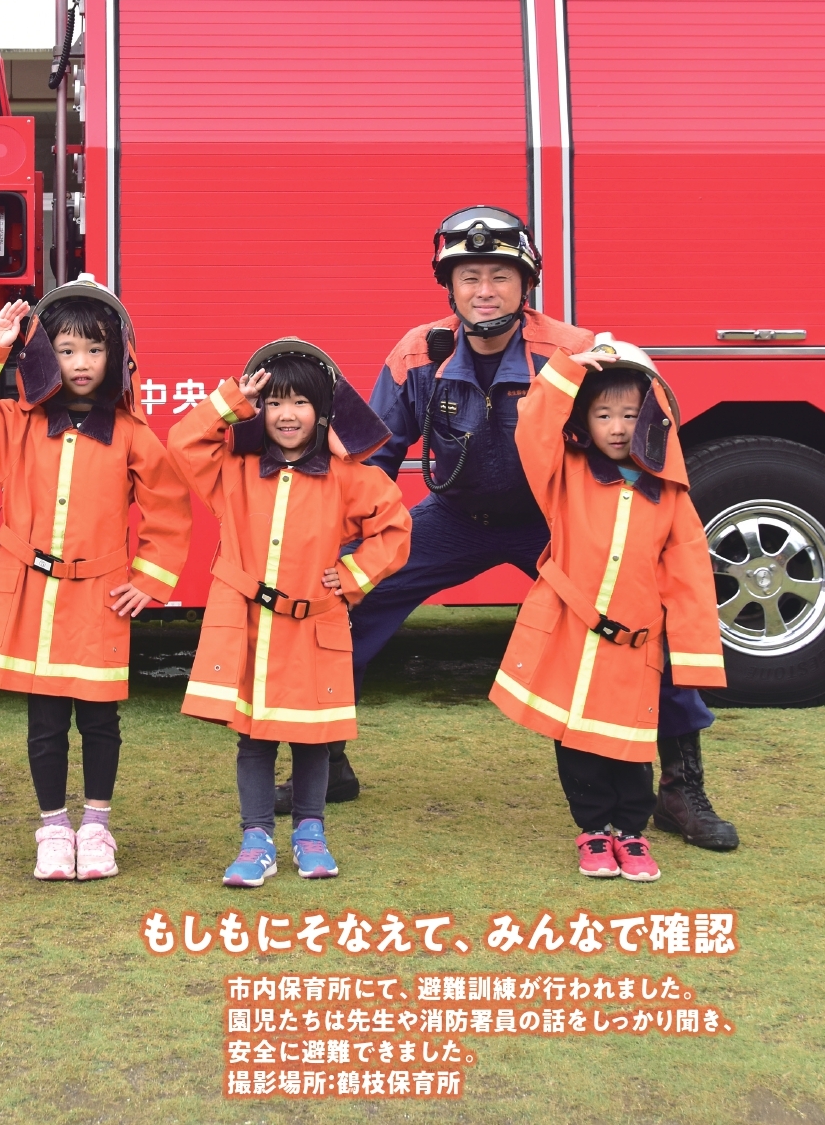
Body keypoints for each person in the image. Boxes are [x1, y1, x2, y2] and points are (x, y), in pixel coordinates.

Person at [291, 205, 738, 853]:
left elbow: (641, 446)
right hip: (453, 517)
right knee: (343, 593)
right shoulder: (418, 353)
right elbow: (373, 461)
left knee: (650, 618)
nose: (483, 291)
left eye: (498, 275)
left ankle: (678, 784)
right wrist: (336, 544)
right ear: (448, 286)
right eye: (468, 276)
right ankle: (322, 764)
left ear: (525, 283)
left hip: (558, 524)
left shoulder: (579, 354)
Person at [0, 275, 192, 882]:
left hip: (100, 597)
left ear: (118, 358)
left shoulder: (132, 434)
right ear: (43, 355)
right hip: (31, 594)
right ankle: (53, 828)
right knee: (46, 719)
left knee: (101, 718)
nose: (81, 364)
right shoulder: (17, 425)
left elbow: (169, 508)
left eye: (95, 349)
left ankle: (98, 827)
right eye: (66, 349)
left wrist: (150, 580)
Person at [170, 340, 410, 888]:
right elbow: (183, 443)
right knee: (254, 737)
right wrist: (234, 397)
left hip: (316, 625)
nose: (286, 415)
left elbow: (395, 530)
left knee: (312, 735)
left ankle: (310, 834)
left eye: (300, 403)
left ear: (322, 412)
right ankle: (256, 838)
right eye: (274, 402)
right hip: (250, 627)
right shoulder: (235, 468)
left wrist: (352, 578)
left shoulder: (350, 475)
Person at [490, 340, 727, 880]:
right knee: (575, 740)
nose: (617, 427)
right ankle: (593, 831)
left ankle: (633, 834)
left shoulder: (671, 494)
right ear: (584, 419)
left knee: (630, 745)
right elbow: (532, 428)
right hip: (570, 635)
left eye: (630, 415)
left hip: (634, 646)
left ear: (654, 421)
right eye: (603, 414)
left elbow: (690, 579)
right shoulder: (563, 474)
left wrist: (692, 660)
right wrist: (569, 368)